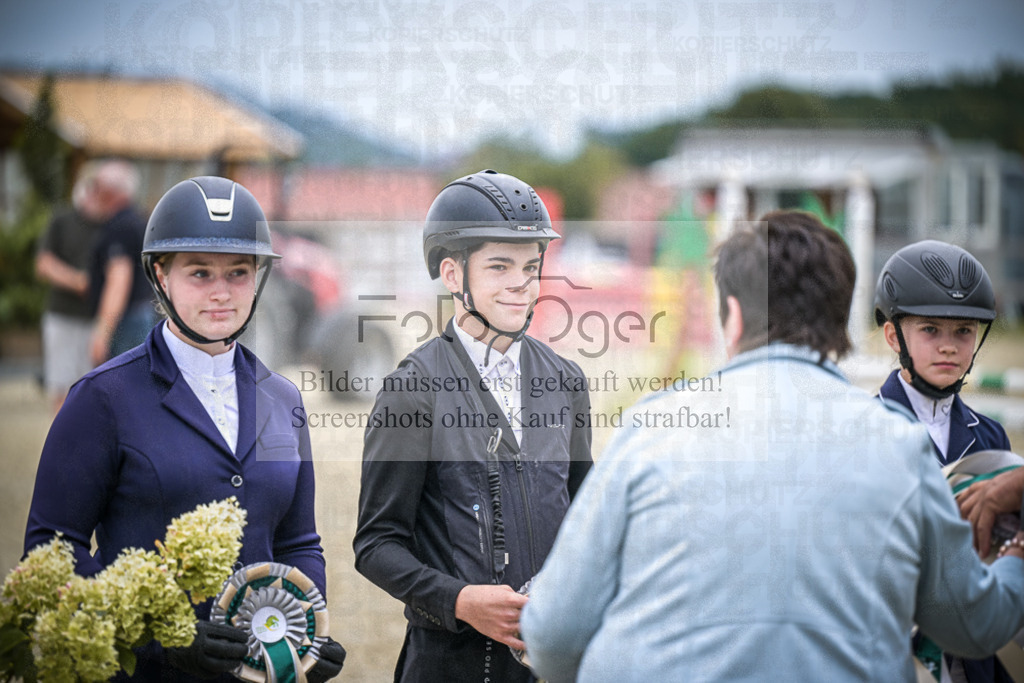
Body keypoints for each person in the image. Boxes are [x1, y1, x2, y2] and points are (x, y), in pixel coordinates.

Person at [520, 210, 1024, 682]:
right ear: (840, 322)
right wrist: (1018, 554)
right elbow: (974, 627)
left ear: (734, 317)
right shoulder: (900, 444)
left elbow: (552, 637)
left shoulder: (651, 425)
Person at [24, 177, 345, 681]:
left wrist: (305, 634)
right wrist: (161, 637)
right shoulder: (102, 398)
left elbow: (297, 543)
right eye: (199, 273)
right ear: (161, 275)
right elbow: (52, 549)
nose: (221, 293)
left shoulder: (282, 400)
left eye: (238, 273)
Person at [353, 169, 593, 682]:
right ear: (453, 274)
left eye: (530, 268)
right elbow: (376, 546)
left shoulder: (568, 381)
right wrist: (459, 600)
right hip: (449, 666)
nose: (520, 285)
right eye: (499, 266)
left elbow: (585, 519)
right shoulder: (411, 389)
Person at [875, 239, 1017, 682]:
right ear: (894, 336)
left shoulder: (990, 436)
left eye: (963, 332)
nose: (949, 347)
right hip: (896, 654)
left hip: (973, 655)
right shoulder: (864, 432)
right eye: (930, 330)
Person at [35, 165, 104, 413]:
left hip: (99, 320)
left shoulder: (110, 225)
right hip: (63, 316)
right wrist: (78, 281)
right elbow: (43, 264)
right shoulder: (62, 220)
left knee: (93, 389)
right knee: (62, 388)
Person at [86, 160, 156, 365]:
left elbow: (119, 280)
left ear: (110, 191)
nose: (93, 192)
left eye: (96, 186)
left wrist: (102, 333)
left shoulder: (119, 226)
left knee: (119, 377)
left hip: (126, 321)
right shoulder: (139, 220)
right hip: (141, 314)